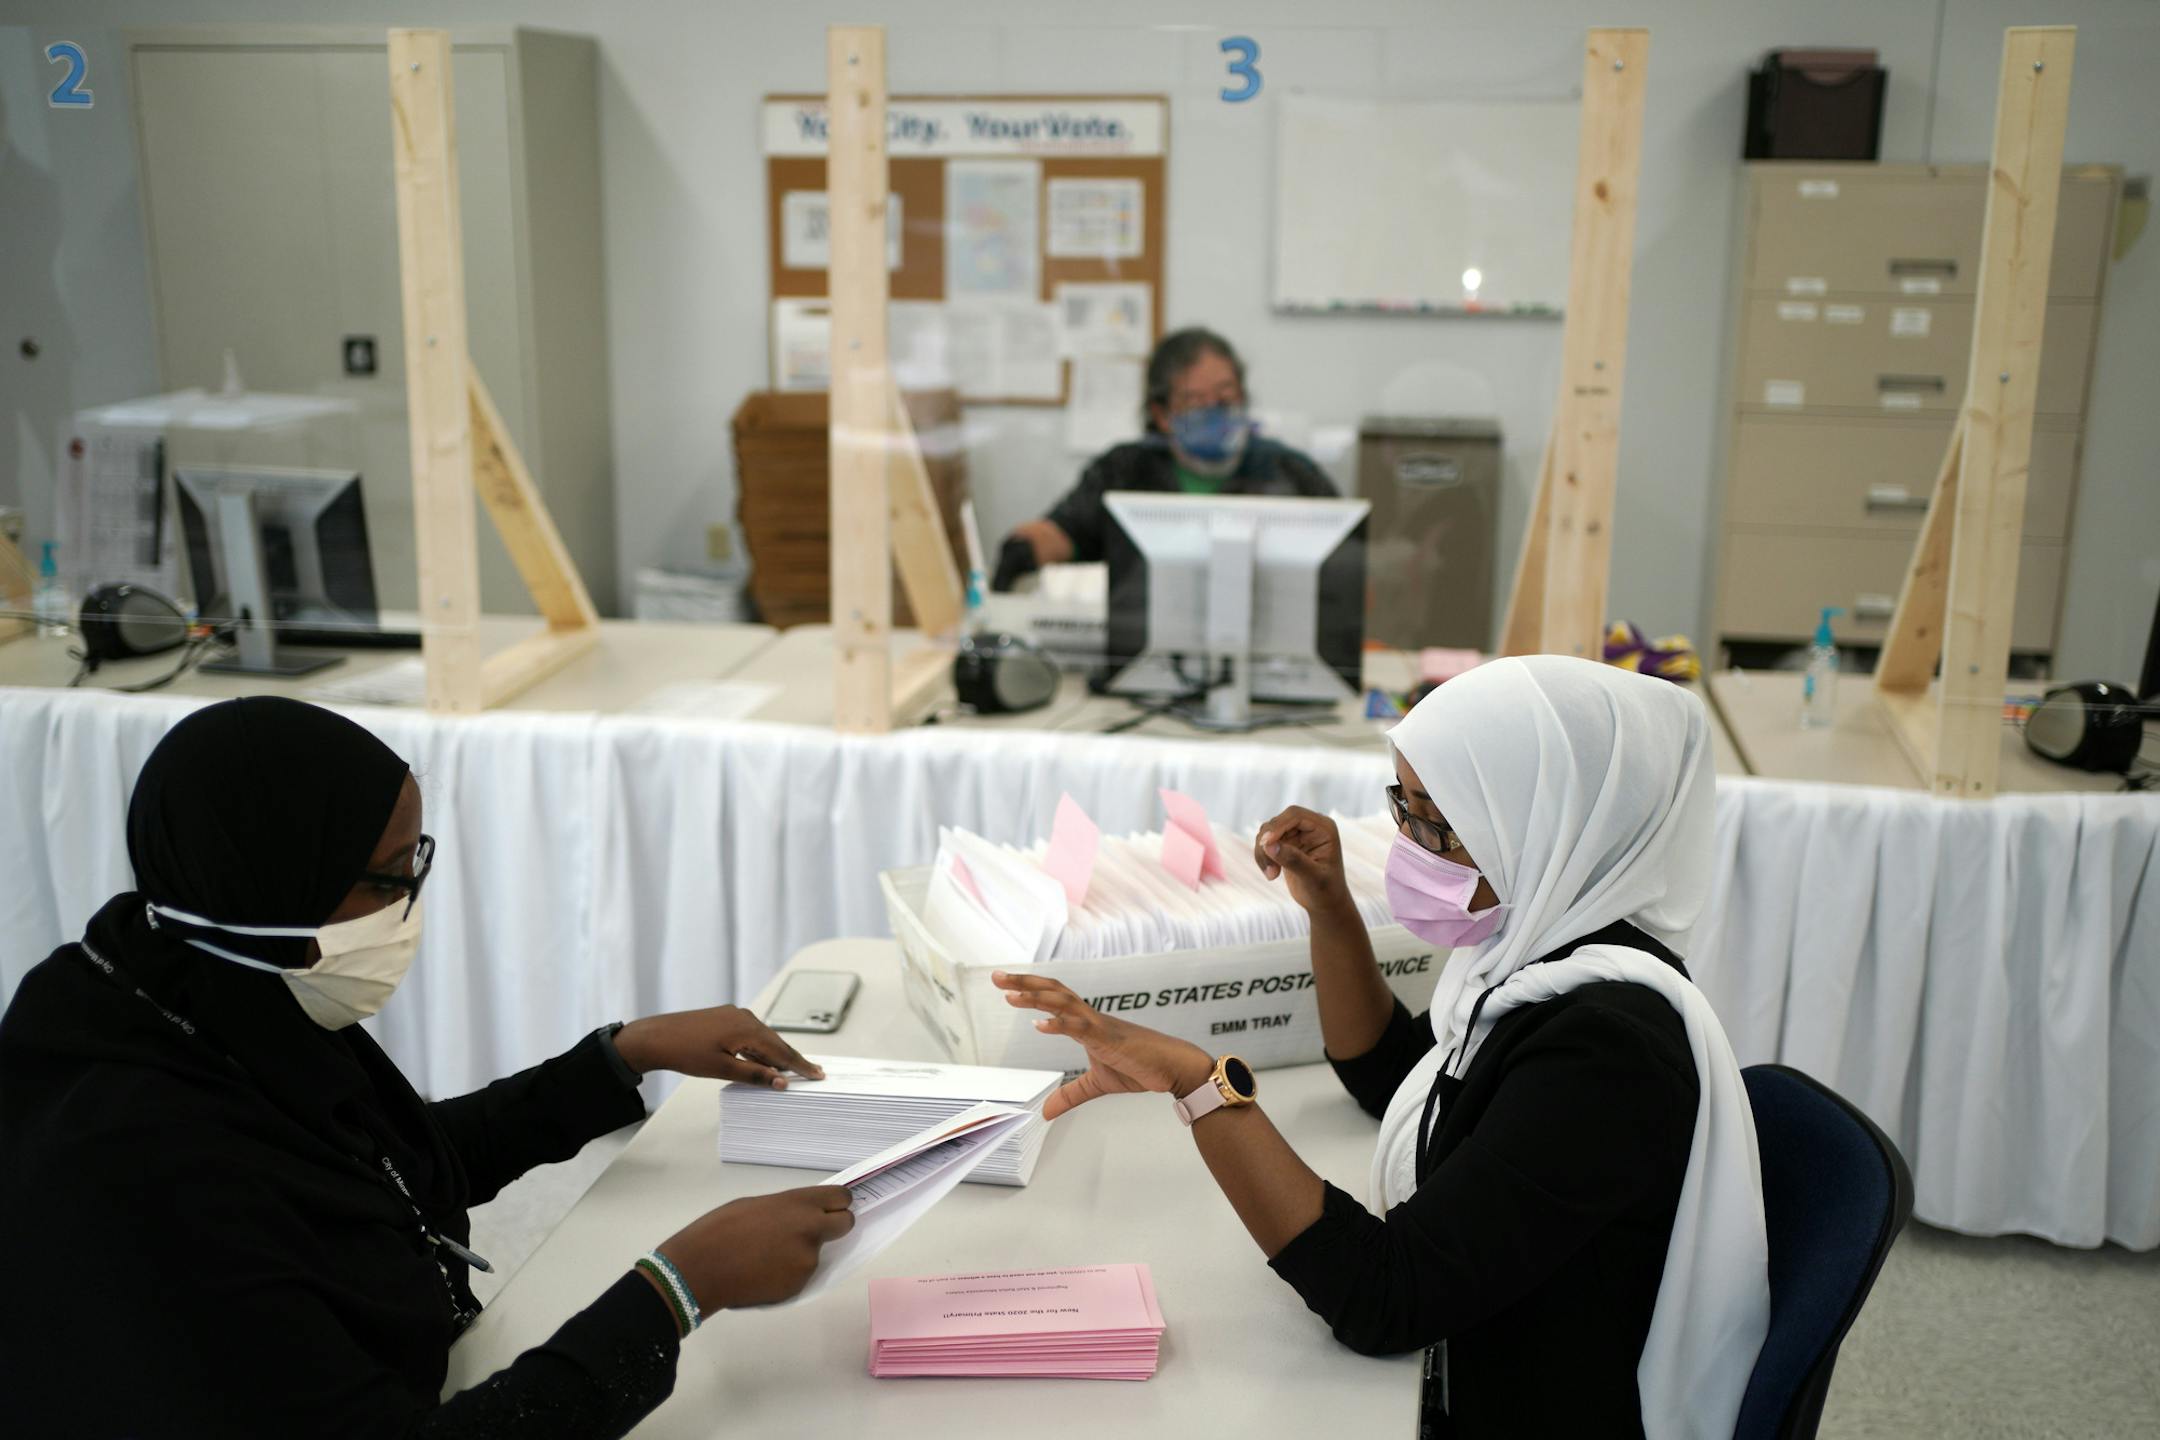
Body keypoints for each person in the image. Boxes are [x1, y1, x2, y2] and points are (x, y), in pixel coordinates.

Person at [0, 697, 854, 1438]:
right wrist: (677, 1290)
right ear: (275, 885)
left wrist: (620, 1055)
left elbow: (385, 1169)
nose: (408, 904)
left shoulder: (209, 979)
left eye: (417, 863)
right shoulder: (147, 1175)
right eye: (386, 881)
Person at [993, 656, 1771, 1439]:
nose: (1416, 847)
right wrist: (1329, 904)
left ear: (1546, 827)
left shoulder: (1607, 1055)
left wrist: (1197, 1083)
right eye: (1406, 807)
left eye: (1441, 822)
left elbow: (1384, 1300)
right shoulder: (1540, 951)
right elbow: (1392, 1073)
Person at [992, 326, 1337, 589]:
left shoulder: (1287, 470)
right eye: (1193, 400)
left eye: (1225, 395)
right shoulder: (1124, 470)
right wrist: (1024, 549)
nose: (1213, 410)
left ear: (1243, 396)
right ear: (1162, 414)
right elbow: (1063, 531)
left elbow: (1346, 555)